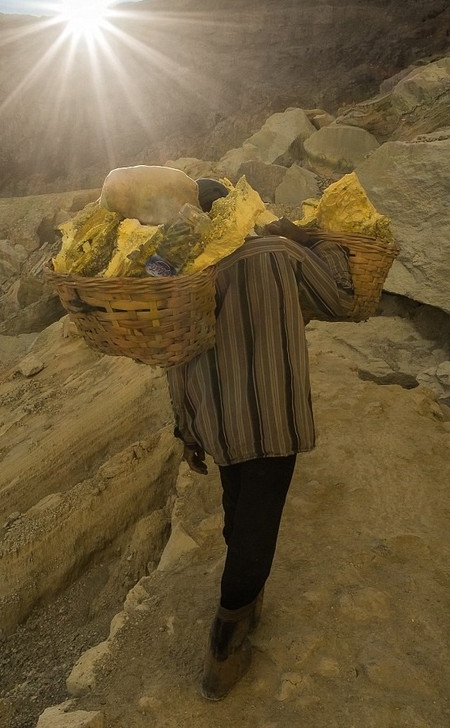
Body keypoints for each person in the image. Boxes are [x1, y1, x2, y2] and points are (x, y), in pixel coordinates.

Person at [166, 182, 354, 700]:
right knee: (258, 523)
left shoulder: (181, 273)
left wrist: (187, 427)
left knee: (238, 508)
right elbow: (341, 296)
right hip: (275, 415)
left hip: (220, 418)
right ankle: (224, 647)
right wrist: (319, 239)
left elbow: (176, 362)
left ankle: (248, 598)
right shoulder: (279, 252)